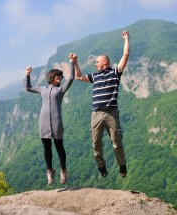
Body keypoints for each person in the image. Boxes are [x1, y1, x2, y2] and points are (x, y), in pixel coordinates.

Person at [70, 30, 130, 178]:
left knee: (116, 142)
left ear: (105, 62)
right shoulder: (95, 76)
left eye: (97, 62)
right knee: (96, 144)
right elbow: (78, 77)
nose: (95, 64)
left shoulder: (115, 72)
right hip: (96, 113)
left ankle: (122, 165)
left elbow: (126, 55)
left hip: (111, 113)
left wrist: (126, 39)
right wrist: (75, 62)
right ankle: (101, 166)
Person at [25, 55, 75, 185]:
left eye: (60, 76)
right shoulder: (43, 89)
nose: (60, 77)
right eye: (57, 75)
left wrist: (72, 62)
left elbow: (71, 78)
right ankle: (49, 171)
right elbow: (28, 88)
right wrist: (28, 75)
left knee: (59, 147)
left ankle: (63, 171)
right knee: (46, 148)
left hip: (57, 122)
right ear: (51, 77)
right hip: (43, 123)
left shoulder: (61, 89)